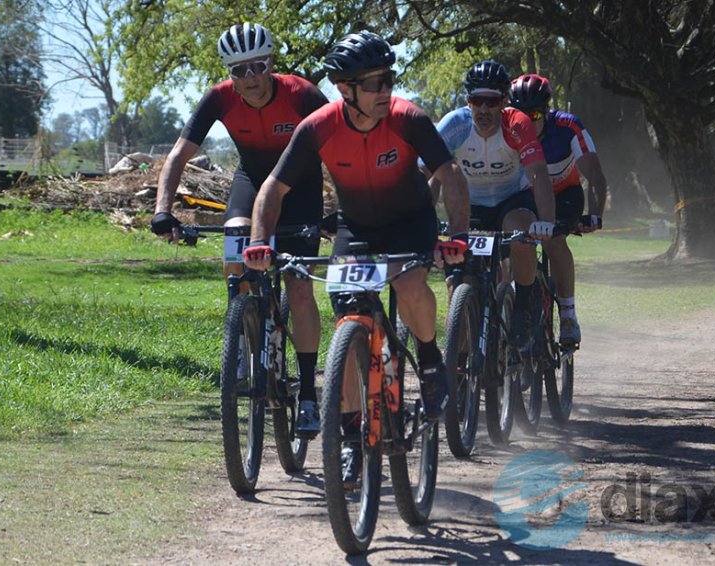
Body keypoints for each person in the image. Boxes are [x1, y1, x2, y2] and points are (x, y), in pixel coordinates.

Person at [242, 30, 470, 485]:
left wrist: (458, 235)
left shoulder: (409, 118)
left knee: (408, 285)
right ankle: (350, 441)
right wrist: (259, 241)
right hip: (356, 230)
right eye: (374, 83)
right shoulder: (319, 126)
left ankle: (428, 357)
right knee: (347, 327)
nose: (385, 90)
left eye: (388, 79)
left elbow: (452, 175)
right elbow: (273, 187)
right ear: (345, 90)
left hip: (410, 223)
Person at [150, 23, 328, 435]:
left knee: (299, 287)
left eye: (257, 65)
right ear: (230, 74)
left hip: (299, 189)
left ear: (271, 64)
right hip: (251, 179)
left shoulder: (302, 94)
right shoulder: (219, 97)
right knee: (235, 241)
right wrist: (162, 210)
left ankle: (307, 395)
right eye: (239, 70)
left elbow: (339, 147)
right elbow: (179, 155)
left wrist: (346, 208)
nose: (249, 77)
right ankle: (245, 325)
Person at [432, 60, 556, 350]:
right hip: (470, 205)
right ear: (468, 101)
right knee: (459, 283)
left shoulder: (517, 125)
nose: (484, 109)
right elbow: (430, 176)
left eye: (493, 101)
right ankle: (459, 367)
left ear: (504, 102)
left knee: (520, 232)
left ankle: (524, 305)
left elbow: (538, 172)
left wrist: (546, 222)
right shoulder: (455, 125)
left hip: (511, 200)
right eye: (478, 101)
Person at [509, 73, 609, 346]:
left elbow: (595, 174)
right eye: (522, 114)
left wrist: (595, 214)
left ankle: (567, 313)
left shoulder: (567, 126)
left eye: (536, 114)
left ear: (547, 111)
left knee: (553, 242)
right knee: (510, 243)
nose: (529, 122)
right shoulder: (506, 128)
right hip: (526, 197)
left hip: (565, 194)